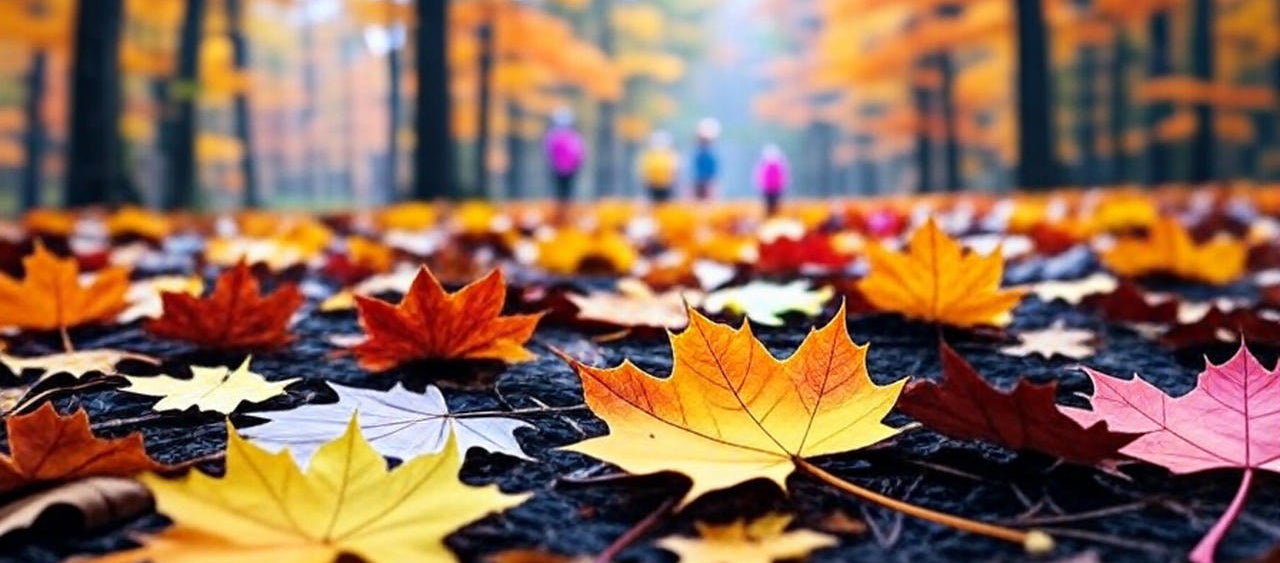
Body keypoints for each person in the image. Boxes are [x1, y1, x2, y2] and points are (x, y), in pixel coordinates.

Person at [544, 107, 585, 206]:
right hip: (566, 168)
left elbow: (549, 150)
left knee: (562, 190)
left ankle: (563, 207)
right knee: (565, 190)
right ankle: (564, 207)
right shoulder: (572, 135)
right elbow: (579, 151)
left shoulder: (554, 134)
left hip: (563, 168)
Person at [638, 130, 679, 204]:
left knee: (666, 204)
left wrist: (671, 180)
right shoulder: (649, 155)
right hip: (653, 185)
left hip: (666, 186)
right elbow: (645, 171)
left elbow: (674, 170)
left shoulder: (669, 155)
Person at [754, 143, 789, 216]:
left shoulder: (777, 165)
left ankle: (774, 216)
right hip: (768, 190)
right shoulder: (767, 165)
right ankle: (770, 216)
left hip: (775, 189)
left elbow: (782, 177)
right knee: (768, 205)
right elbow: (761, 177)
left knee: (775, 205)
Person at [691, 118, 720, 200]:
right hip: (698, 180)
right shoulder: (698, 153)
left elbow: (713, 170)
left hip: (708, 181)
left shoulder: (711, 154)